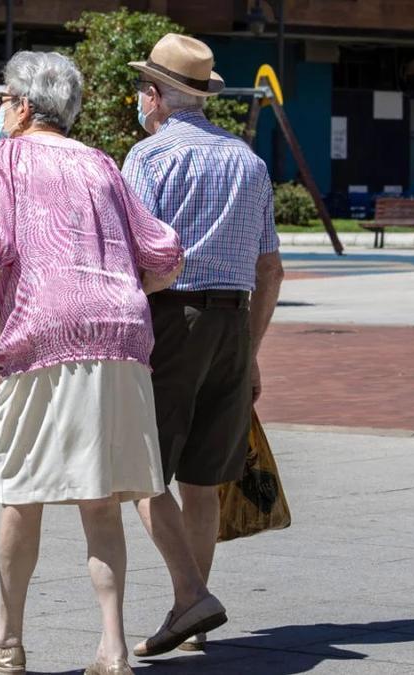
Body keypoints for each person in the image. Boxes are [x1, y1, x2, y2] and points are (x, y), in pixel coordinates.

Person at [0, 51, 184, 675]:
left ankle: (7, 637)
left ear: (21, 106)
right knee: (100, 499)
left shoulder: (6, 157)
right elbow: (164, 253)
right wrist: (119, 292)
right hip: (123, 332)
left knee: (24, 492)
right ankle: (113, 649)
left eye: (5, 101)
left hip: (48, 333)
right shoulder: (100, 161)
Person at [122, 33, 286, 656]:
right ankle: (189, 620)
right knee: (202, 479)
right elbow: (271, 269)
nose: (140, 98)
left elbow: (134, 257)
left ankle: (190, 595)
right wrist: (252, 351)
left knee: (138, 465)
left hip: (172, 319)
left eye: (143, 87)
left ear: (159, 96)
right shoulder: (248, 160)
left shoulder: (149, 158)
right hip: (233, 324)